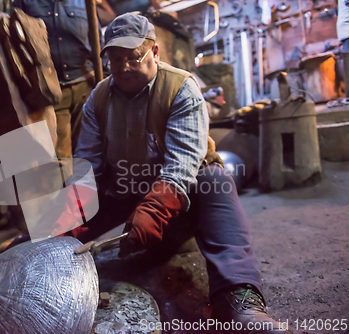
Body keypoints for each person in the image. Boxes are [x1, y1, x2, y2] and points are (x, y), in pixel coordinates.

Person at [61, 13, 292, 333]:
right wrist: (72, 210)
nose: (123, 68)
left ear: (155, 53)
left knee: (215, 180)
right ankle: (32, 252)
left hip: (177, 198)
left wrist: (155, 208)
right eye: (115, 60)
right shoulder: (99, 98)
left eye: (133, 57)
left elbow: (183, 163)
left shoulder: (181, 88)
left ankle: (238, 300)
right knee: (59, 219)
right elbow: (87, 163)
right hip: (126, 191)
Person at [13, 0, 107, 160]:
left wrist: (104, 73)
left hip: (85, 87)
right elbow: (15, 43)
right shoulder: (26, 3)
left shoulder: (83, 2)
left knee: (89, 150)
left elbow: (98, 39)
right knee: (61, 158)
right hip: (52, 91)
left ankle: (87, 184)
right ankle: (68, 185)